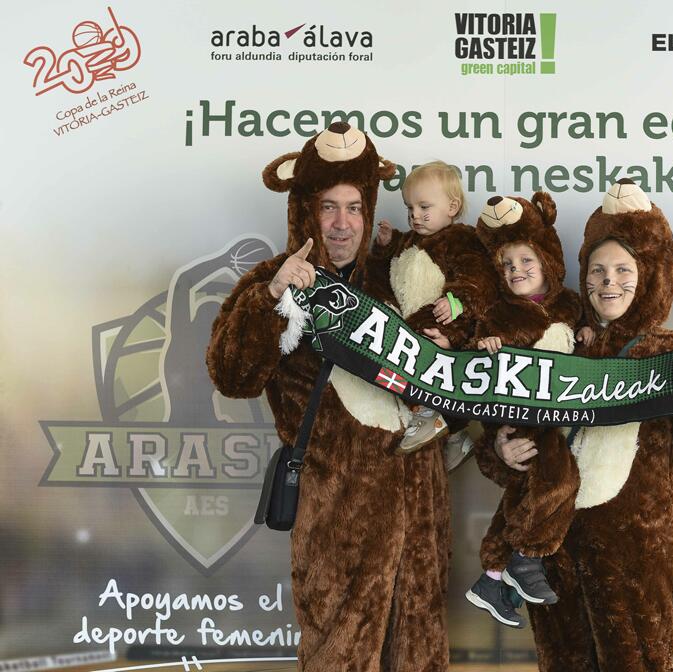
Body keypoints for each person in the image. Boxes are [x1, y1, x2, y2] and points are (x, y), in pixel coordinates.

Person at [484, 179, 673, 672]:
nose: (608, 281)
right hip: (554, 554)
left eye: (622, 270)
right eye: (597, 270)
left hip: (634, 558)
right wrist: (500, 450)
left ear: (650, 275)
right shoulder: (558, 343)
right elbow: (510, 433)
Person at [206, 123, 450, 671]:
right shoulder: (273, 281)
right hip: (339, 513)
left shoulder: (394, 277)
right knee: (339, 656)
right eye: (329, 208)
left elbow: (446, 394)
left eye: (355, 208)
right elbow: (232, 376)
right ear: (305, 212)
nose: (342, 223)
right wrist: (272, 296)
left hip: (420, 509)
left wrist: (445, 354)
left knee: (419, 654)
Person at [461, 192, 582, 628]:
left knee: (524, 496)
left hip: (558, 415)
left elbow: (585, 347)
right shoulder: (499, 313)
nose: (517, 270)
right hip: (518, 418)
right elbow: (474, 369)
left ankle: (493, 577)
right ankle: (526, 557)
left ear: (547, 261)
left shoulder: (570, 305)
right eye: (507, 265)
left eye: (526, 261)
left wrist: (586, 332)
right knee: (560, 479)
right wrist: (485, 343)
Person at [369, 160, 495, 453]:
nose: (415, 215)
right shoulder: (409, 240)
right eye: (409, 208)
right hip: (410, 325)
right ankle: (449, 437)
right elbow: (390, 274)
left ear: (452, 207)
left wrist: (457, 302)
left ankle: (435, 418)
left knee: (426, 368)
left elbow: (480, 278)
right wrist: (387, 245)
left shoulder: (462, 239)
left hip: (444, 324)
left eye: (424, 207)